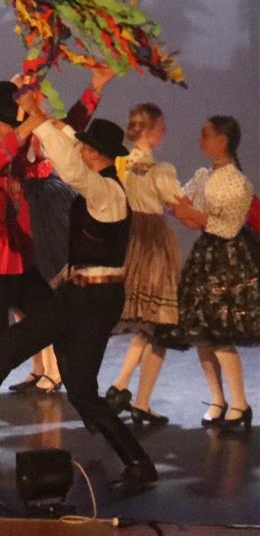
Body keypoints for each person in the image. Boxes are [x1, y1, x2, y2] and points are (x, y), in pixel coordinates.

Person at [0, 91, 155, 495]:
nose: (79, 152)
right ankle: (139, 462)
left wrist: (38, 118)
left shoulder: (106, 191)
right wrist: (41, 119)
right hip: (80, 296)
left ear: (95, 154)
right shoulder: (99, 188)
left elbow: (69, 166)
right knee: (74, 384)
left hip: (92, 301)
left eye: (84, 148)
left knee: (23, 354)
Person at [170, 117, 257, 432]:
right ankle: (218, 399)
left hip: (227, 261)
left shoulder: (238, 182)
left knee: (220, 332)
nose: (200, 140)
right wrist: (186, 210)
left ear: (223, 140)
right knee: (201, 333)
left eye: (205, 134)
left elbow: (228, 227)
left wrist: (193, 214)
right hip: (205, 256)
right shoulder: (203, 175)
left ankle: (239, 402)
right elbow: (183, 209)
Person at [104, 103, 185, 425]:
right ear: (150, 131)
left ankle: (131, 393)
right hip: (153, 243)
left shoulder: (122, 164)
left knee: (151, 326)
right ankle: (129, 392)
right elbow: (178, 204)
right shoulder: (161, 171)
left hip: (131, 238)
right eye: (161, 128)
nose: (164, 133)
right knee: (158, 322)